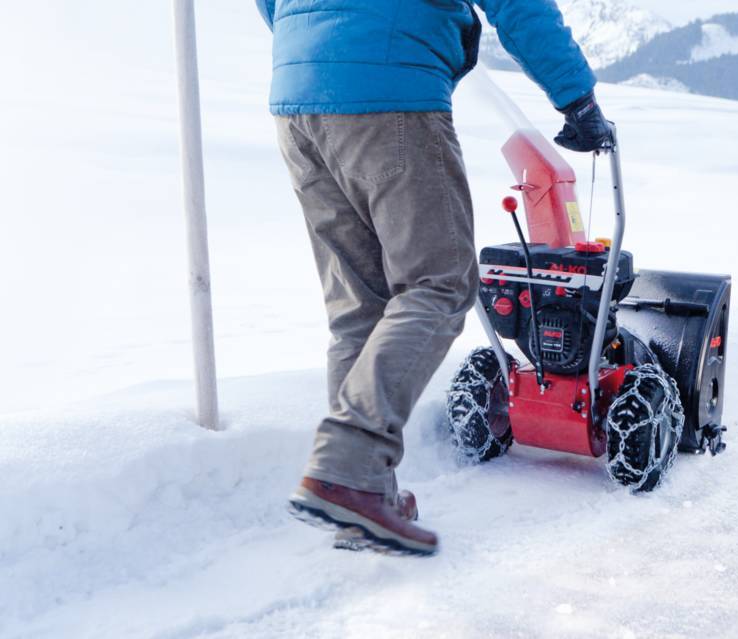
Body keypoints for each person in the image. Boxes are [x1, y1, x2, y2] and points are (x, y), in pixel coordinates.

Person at [255, 0, 613, 555]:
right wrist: (578, 99)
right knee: (439, 284)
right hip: (390, 94)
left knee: (359, 308)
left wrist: (316, 42)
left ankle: (360, 502)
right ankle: (348, 468)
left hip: (297, 95)